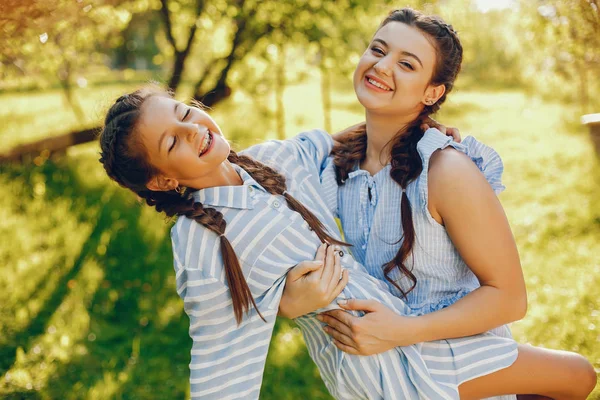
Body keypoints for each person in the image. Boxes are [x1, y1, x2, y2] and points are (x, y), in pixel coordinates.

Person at [98, 86, 526, 400]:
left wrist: (418, 128)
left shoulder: (272, 159)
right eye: (172, 140)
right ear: (162, 181)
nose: (191, 130)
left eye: (183, 113)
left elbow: (348, 142)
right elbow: (218, 368)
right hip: (378, 364)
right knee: (576, 376)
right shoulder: (199, 241)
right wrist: (281, 306)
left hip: (407, 326)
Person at [278, 7, 597, 399]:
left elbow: (510, 298)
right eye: (378, 50)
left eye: (407, 64)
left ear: (433, 93)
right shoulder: (341, 165)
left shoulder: (446, 171)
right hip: (385, 371)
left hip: (464, 366)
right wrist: (288, 304)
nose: (382, 66)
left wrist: (401, 330)